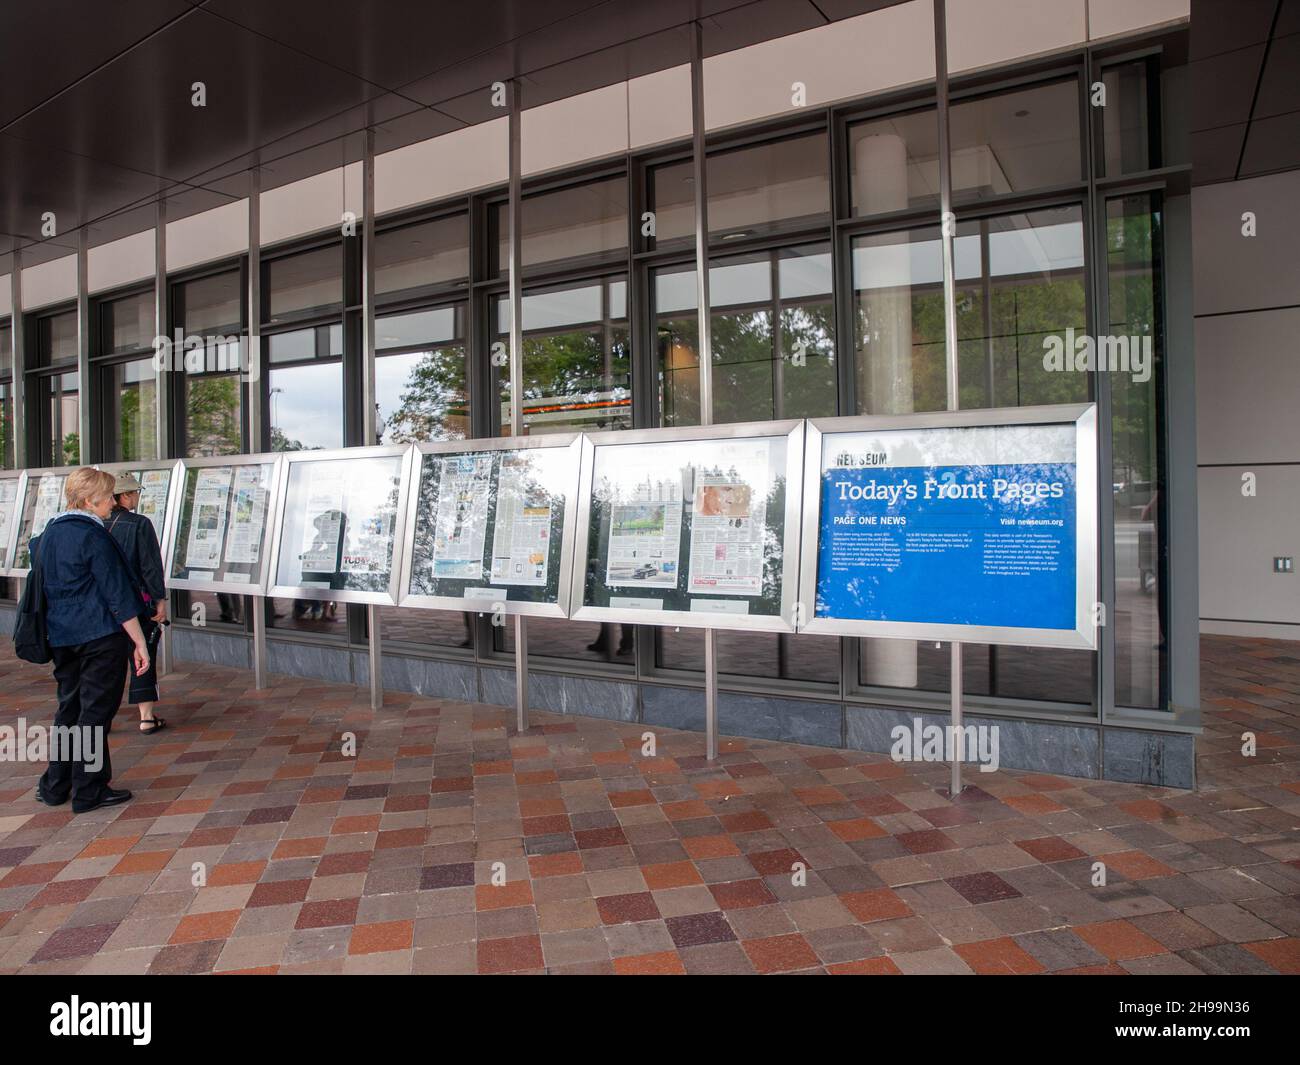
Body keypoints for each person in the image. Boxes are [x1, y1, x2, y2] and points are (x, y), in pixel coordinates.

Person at [33, 468, 150, 814]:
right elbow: (116, 594)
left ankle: (56, 784)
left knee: (69, 707)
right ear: (88, 501)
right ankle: (89, 789)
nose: (113, 503)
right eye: (108, 497)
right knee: (95, 713)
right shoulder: (93, 536)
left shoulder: (49, 533)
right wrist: (139, 642)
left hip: (62, 636)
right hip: (99, 636)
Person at [105, 474, 169, 733]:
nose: (137, 497)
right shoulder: (139, 524)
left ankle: (102, 717)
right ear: (126, 496)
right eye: (135, 492)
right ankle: (146, 717)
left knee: (107, 660)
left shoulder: (97, 524)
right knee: (143, 654)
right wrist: (159, 600)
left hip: (105, 605)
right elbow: (151, 566)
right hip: (136, 602)